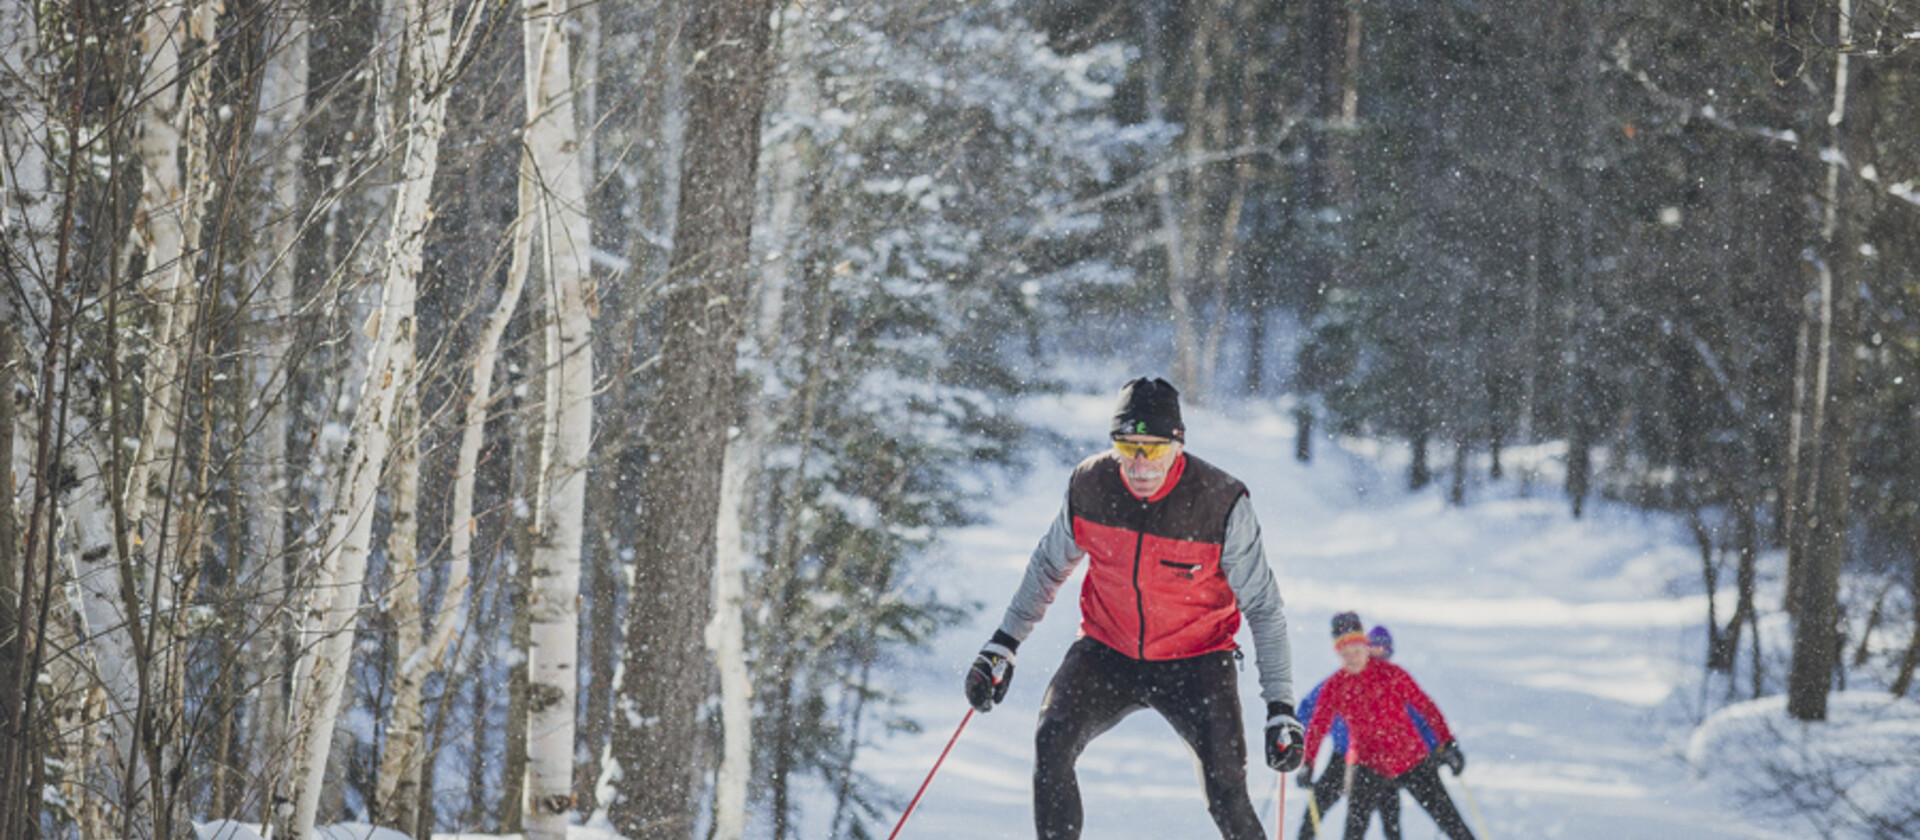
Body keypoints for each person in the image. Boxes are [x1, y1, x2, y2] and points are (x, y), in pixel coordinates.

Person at [962, 377, 1302, 840]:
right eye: (1127, 445)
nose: (1140, 464)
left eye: (1154, 449)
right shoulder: (1090, 486)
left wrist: (1280, 706)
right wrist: (1003, 644)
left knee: (1227, 793)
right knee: (1053, 736)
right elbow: (1048, 565)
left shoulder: (1220, 503)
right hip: (1108, 651)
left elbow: (1263, 606)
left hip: (1197, 661)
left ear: (1178, 444)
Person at [1301, 611, 1474, 840]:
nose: (1352, 658)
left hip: (1412, 758)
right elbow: (1317, 726)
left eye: (1356, 650)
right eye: (1345, 654)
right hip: (1367, 765)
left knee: (1452, 822)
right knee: (1353, 832)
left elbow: (1427, 709)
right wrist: (1308, 762)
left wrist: (1448, 744)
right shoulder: (1335, 686)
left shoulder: (1392, 675)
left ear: (1365, 646)